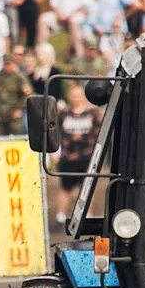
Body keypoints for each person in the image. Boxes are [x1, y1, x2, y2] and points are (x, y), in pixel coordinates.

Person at [53, 81, 100, 229]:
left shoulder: (94, 112)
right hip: (67, 157)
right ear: (69, 96)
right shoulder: (62, 113)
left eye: (78, 95)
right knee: (65, 188)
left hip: (87, 157)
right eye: (73, 95)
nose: (76, 98)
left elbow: (100, 134)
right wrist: (55, 152)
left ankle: (88, 217)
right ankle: (60, 217)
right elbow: (55, 133)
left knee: (87, 188)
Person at [0, 50, 31, 135]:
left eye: (9, 64)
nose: (7, 66)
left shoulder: (19, 78)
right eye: (5, 64)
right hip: (0, 116)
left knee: (17, 139)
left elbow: (27, 95)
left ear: (13, 64)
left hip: (14, 116)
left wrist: (19, 109)